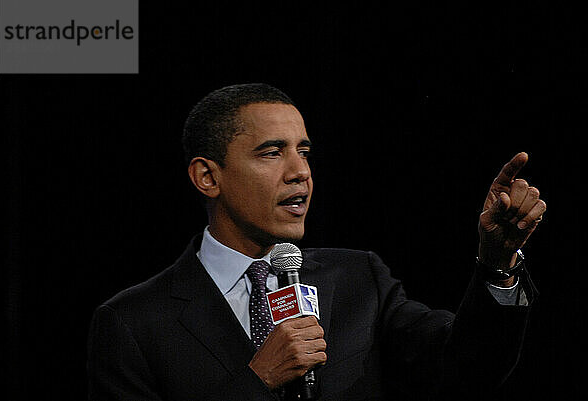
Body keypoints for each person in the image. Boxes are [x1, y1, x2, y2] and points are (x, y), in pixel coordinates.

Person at [87, 83, 546, 400]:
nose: (300, 171)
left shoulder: (358, 280)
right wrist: (258, 381)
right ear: (208, 176)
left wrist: (497, 263)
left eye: (303, 152)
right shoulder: (134, 324)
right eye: (272, 152)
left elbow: (467, 371)